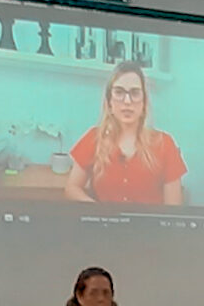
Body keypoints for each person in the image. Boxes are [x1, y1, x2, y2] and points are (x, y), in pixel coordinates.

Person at [63, 61, 187, 206]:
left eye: (135, 93)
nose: (127, 101)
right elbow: (71, 188)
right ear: (109, 102)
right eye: (119, 92)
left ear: (144, 102)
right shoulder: (94, 138)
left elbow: (173, 208)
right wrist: (97, 210)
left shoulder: (165, 143)